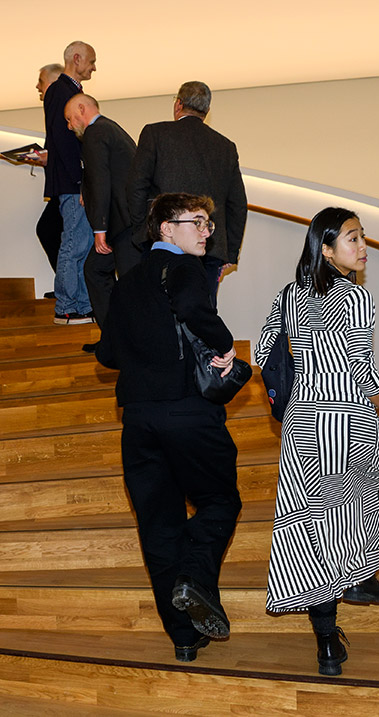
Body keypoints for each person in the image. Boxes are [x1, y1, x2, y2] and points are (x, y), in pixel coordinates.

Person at [253, 206, 379, 677]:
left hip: (302, 427)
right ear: (325, 249)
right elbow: (361, 371)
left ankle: (328, 644)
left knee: (309, 532)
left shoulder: (290, 295)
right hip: (351, 422)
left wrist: (302, 376)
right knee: (361, 507)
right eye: (351, 239)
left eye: (363, 236)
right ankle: (358, 578)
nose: (362, 246)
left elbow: (264, 351)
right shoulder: (355, 298)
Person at [96, 192, 242, 663]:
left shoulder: (126, 282)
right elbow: (197, 314)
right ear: (165, 229)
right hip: (186, 412)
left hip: (138, 419)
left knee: (159, 526)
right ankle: (194, 579)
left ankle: (183, 636)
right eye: (196, 222)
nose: (205, 231)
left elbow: (109, 354)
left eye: (208, 224)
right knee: (221, 501)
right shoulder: (184, 270)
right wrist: (224, 343)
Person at [128, 81, 246, 302]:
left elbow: (136, 186)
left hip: (163, 242)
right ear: (207, 111)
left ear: (178, 104)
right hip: (208, 245)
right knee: (203, 313)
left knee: (159, 310)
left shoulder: (155, 133)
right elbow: (237, 204)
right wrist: (229, 251)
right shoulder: (225, 146)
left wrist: (143, 231)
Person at [65, 92, 140, 349]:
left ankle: (125, 344)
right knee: (96, 271)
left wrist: (100, 229)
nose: (69, 125)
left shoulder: (95, 133)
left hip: (123, 226)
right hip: (130, 223)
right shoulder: (110, 128)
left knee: (130, 285)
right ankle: (116, 341)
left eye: (70, 118)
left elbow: (101, 182)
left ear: (82, 109)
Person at [43, 41, 97, 324]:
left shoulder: (69, 91)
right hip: (71, 184)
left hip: (74, 183)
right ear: (76, 58)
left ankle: (83, 305)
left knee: (83, 245)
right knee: (74, 245)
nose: (94, 67)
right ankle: (66, 307)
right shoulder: (60, 90)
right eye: (91, 61)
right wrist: (80, 182)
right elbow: (64, 141)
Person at [34, 63, 65, 285]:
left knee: (48, 229)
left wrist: (49, 159)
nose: (37, 86)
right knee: (51, 231)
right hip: (63, 188)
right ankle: (66, 286)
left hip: (68, 189)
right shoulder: (57, 109)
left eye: (41, 81)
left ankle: (67, 287)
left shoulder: (63, 109)